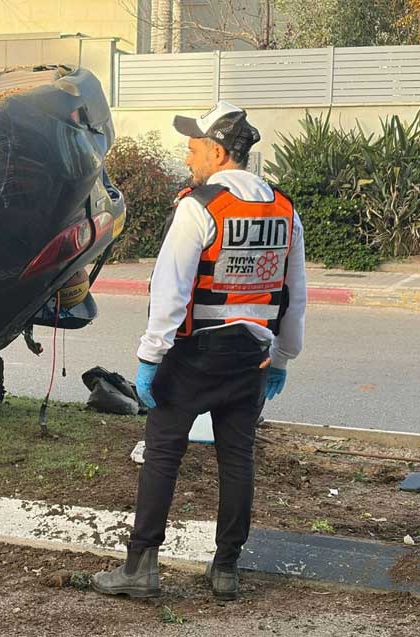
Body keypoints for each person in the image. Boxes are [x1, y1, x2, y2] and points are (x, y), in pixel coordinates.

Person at [92, 101, 307, 601]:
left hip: (194, 355)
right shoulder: (283, 207)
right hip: (251, 357)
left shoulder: (200, 206)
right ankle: (227, 568)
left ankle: (140, 568)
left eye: (193, 150)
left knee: (164, 453)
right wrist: (282, 358)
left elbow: (169, 289)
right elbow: (292, 293)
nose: (188, 159)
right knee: (238, 459)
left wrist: (149, 359)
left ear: (216, 150)